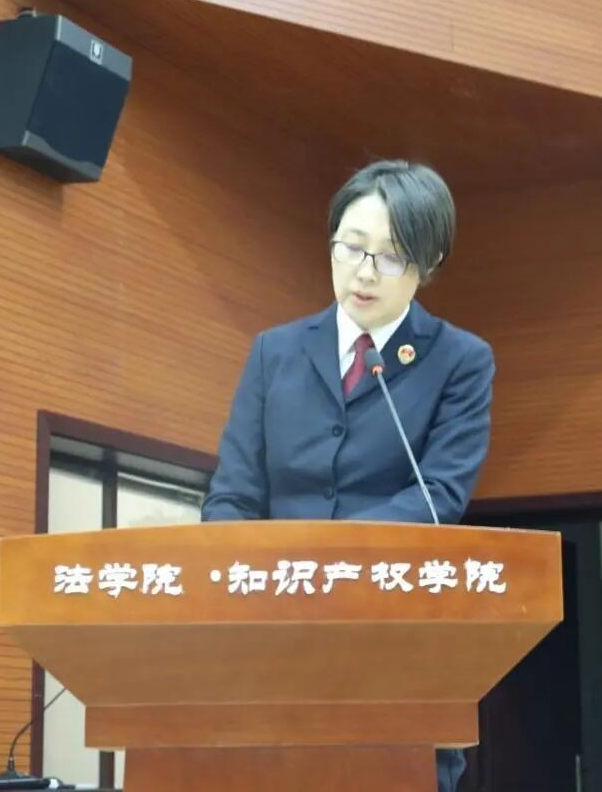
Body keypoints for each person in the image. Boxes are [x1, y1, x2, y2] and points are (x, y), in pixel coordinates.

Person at [201, 158, 496, 792]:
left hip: (392, 638)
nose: (364, 272)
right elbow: (233, 495)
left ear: (429, 262)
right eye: (351, 247)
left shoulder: (460, 361)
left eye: (390, 257)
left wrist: (326, 562)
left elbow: (438, 495)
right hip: (272, 639)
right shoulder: (274, 352)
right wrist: (240, 582)